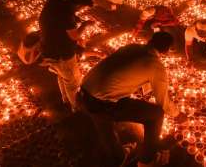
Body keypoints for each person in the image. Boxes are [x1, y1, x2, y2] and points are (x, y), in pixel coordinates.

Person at [78, 32, 183, 167]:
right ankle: (147, 160)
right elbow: (163, 102)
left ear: (151, 40)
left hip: (83, 93)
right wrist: (178, 115)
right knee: (156, 114)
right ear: (167, 50)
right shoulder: (155, 65)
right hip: (102, 104)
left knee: (104, 124)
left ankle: (118, 157)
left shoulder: (131, 47)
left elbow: (125, 70)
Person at [36, 0, 94, 111]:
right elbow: (75, 36)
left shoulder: (54, 4)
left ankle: (66, 99)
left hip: (47, 48)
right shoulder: (67, 16)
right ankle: (76, 107)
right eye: (82, 8)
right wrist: (85, 25)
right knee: (73, 83)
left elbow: (56, 20)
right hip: (62, 53)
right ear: (78, 5)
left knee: (63, 77)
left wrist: (76, 19)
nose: (80, 11)